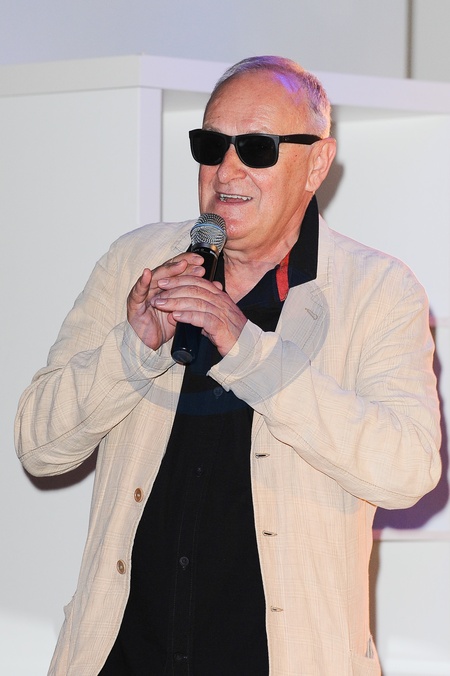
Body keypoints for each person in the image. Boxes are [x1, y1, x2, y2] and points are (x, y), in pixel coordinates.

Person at [15, 55, 441, 676]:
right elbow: (39, 446)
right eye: (212, 145)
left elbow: (406, 471)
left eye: (258, 148)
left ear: (317, 163)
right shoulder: (136, 262)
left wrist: (249, 354)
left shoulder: (378, 291)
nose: (227, 168)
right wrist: (132, 349)